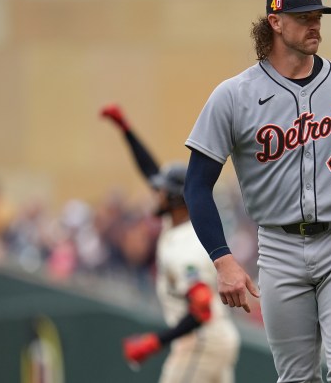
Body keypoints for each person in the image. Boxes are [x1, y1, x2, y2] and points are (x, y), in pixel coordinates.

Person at [183, 0, 331, 382]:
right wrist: (222, 258)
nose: (315, 25)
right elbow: (196, 185)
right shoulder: (233, 96)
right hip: (279, 248)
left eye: (318, 16)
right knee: (297, 378)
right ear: (276, 22)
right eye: (303, 18)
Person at [100, 104, 240, 383]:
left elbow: (201, 310)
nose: (156, 194)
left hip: (201, 342)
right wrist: (126, 130)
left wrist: (155, 341)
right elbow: (151, 170)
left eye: (162, 192)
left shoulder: (187, 245)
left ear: (176, 200)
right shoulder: (178, 221)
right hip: (217, 338)